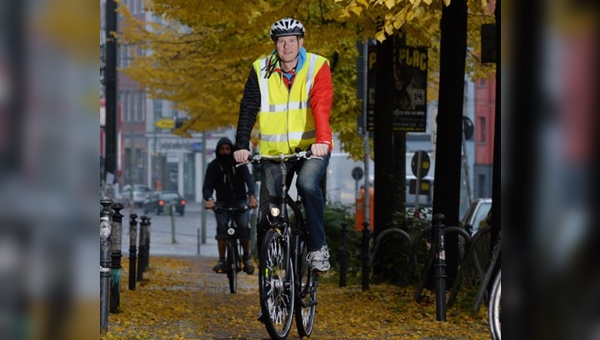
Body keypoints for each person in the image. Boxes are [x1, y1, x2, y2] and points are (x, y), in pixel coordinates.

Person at [233, 18, 333, 272]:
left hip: (311, 148)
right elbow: (248, 108)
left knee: (307, 185)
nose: (287, 46)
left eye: (291, 40)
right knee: (268, 214)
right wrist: (241, 144)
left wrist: (322, 141)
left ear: (301, 42)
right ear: (275, 45)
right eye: (281, 41)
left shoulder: (316, 65)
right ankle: (269, 281)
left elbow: (321, 105)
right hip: (275, 155)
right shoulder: (260, 69)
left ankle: (317, 247)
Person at [203, 137, 258, 274]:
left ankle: (247, 258)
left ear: (231, 149)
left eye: (228, 149)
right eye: (222, 149)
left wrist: (251, 196)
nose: (225, 152)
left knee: (244, 228)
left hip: (240, 202)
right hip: (222, 203)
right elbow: (207, 186)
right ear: (218, 150)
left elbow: (249, 179)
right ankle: (221, 259)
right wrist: (209, 199)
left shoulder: (239, 164)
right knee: (222, 229)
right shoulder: (213, 166)